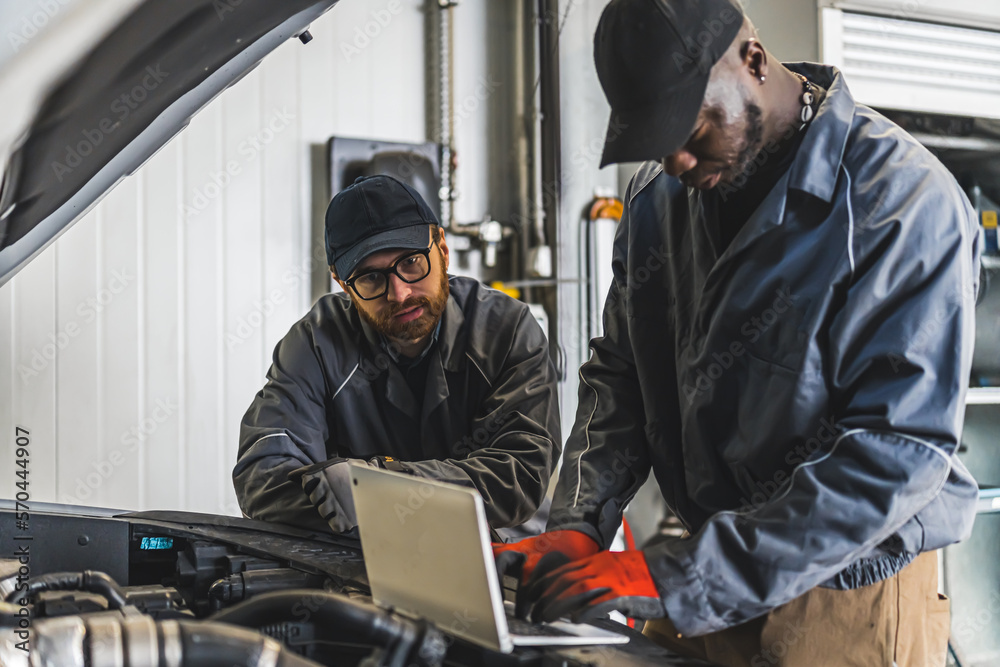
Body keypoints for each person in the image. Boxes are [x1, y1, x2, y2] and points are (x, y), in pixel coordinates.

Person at [494, 0, 981, 664]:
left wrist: (684, 576)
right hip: (704, 569)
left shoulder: (901, 204)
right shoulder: (659, 202)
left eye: (692, 131)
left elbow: (895, 451)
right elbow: (622, 377)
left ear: (752, 60)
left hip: (846, 587)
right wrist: (581, 524)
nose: (677, 165)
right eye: (657, 144)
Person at [234, 174, 560, 538]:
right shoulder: (315, 344)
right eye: (371, 278)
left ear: (442, 249)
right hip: (367, 566)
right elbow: (261, 480)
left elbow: (521, 472)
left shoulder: (507, 331)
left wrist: (378, 488)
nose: (400, 293)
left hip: (505, 552)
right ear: (343, 284)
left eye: (411, 262)